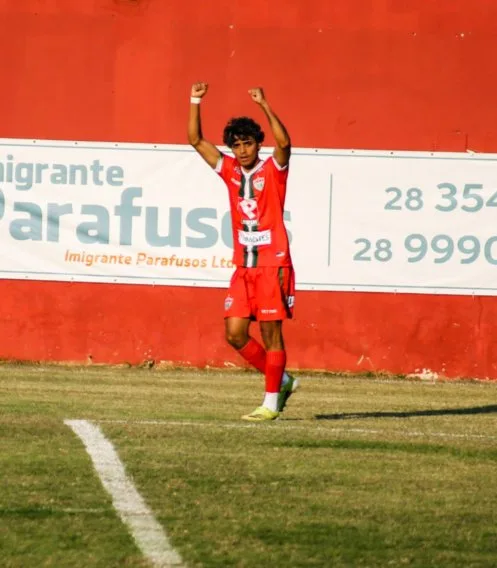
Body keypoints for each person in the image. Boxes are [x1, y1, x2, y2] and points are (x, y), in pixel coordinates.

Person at [188, 82, 298, 421]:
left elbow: (284, 143)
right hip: (243, 266)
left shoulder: (272, 171)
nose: (242, 150)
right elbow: (195, 141)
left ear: (257, 143)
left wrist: (264, 104)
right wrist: (195, 100)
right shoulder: (230, 171)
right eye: (236, 145)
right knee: (234, 333)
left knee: (270, 333)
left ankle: (269, 404)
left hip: (272, 264)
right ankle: (283, 380)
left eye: (247, 143)